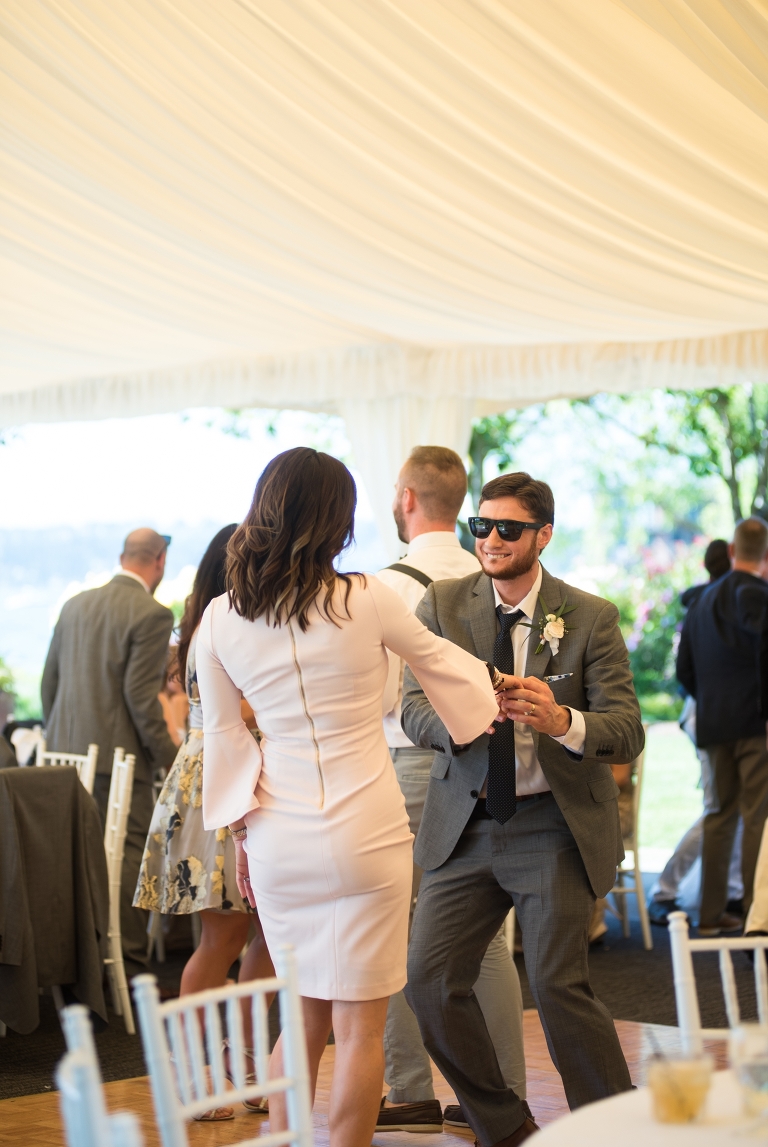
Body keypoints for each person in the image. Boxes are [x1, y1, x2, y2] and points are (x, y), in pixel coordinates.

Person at [195, 447, 502, 1147]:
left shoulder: (219, 618)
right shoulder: (367, 597)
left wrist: (243, 835)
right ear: (340, 518)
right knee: (359, 1028)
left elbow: (222, 736)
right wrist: (498, 696)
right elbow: (441, 661)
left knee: (300, 1016)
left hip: (278, 836)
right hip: (368, 830)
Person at [401, 471, 645, 1145]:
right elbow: (410, 705)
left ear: (543, 535)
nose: (491, 539)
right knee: (427, 980)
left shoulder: (589, 614)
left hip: (551, 824)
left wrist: (563, 717)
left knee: (557, 985)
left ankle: (617, 1130)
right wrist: (456, 722)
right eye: (482, 526)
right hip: (467, 822)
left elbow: (627, 726)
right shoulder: (444, 606)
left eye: (508, 528)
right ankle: (504, 1126)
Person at [375, 446, 527, 1133]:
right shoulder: (500, 574)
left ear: (407, 497)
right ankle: (494, 1095)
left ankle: (408, 1088)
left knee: (397, 930)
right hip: (493, 768)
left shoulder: (386, 587)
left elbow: (385, 699)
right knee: (486, 938)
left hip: (411, 766)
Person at [134, 524, 275, 1122]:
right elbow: (237, 709)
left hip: (245, 781)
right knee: (223, 939)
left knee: (268, 935)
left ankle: (244, 1062)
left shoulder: (215, 620)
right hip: (223, 783)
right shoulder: (223, 624)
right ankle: (196, 1075)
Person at [41, 528, 178, 979]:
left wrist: (60, 742)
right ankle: (129, 970)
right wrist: (170, 759)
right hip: (118, 766)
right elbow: (141, 701)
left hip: (63, 763)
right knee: (129, 862)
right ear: (158, 561)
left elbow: (49, 686)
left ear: (124, 556)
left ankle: (74, 966)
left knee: (73, 866)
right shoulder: (152, 614)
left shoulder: (73, 605)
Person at [677, 517, 768, 936]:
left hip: (713, 724)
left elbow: (685, 671)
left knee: (718, 814)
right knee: (757, 818)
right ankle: (756, 914)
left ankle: (710, 915)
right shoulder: (760, 596)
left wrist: (711, 701)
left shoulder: (701, 601)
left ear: (733, 551)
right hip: (754, 723)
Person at [649, 538, 743, 927]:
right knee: (719, 809)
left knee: (732, 808)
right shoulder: (726, 603)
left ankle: (731, 893)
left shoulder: (710, 601)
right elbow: (688, 671)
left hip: (710, 715)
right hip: (715, 718)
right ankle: (665, 890)